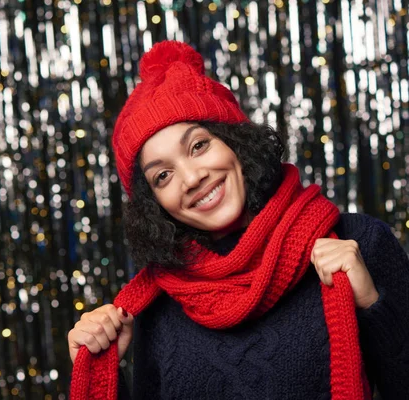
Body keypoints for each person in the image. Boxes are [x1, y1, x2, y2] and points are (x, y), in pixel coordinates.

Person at [67, 41, 409, 399]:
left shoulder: (357, 244)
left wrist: (372, 305)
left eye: (198, 146)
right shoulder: (157, 302)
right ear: (155, 205)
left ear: (236, 141)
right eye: (163, 176)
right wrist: (99, 370)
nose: (192, 178)